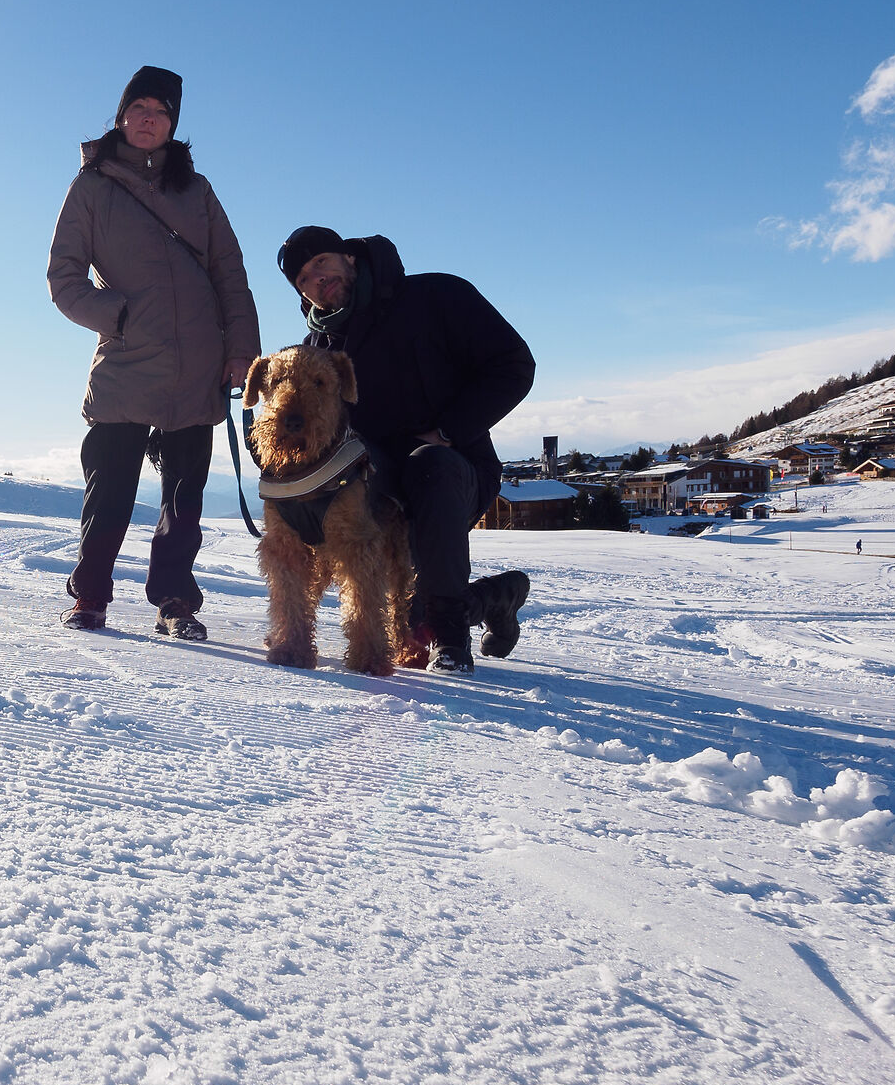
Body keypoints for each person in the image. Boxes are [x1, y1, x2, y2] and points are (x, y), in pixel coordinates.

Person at [47, 67, 261, 639]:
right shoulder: (91, 185)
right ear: (120, 116)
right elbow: (63, 278)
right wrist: (116, 317)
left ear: (173, 124)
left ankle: (175, 603)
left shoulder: (197, 189)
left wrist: (241, 353)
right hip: (126, 366)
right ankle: (90, 596)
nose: (148, 118)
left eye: (161, 111)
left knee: (183, 504)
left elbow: (230, 275)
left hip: (197, 369)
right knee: (110, 493)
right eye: (139, 107)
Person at [276, 227, 535, 673]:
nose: (315, 280)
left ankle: (452, 640)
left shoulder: (437, 295)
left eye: (320, 262)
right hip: (378, 485)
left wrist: (449, 431)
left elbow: (514, 364)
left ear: (350, 258)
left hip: (453, 469)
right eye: (302, 279)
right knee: (409, 621)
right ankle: (496, 598)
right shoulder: (318, 350)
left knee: (429, 469)